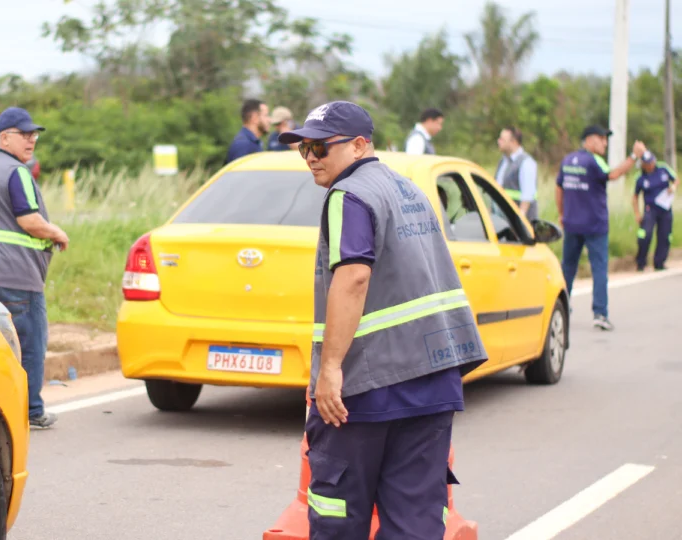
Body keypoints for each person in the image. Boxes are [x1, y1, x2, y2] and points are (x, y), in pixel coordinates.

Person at [277, 101, 487, 539]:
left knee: (338, 515)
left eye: (320, 147)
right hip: (432, 380)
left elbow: (354, 277)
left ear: (359, 145)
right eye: (304, 149)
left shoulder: (348, 194)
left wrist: (330, 369)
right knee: (415, 520)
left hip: (367, 388)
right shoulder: (409, 191)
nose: (311, 158)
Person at [0, 106, 70, 429]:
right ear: (4, 138)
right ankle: (31, 410)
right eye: (24, 134)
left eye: (33, 134)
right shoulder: (16, 172)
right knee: (29, 344)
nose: (31, 140)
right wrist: (56, 232)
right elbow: (29, 220)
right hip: (16, 278)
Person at [556, 125, 647, 331]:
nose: (605, 143)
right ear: (589, 140)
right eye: (601, 138)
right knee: (598, 269)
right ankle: (600, 313)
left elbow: (558, 187)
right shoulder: (593, 160)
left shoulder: (568, 160)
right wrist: (634, 156)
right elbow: (613, 175)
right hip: (594, 226)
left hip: (572, 224)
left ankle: (561, 307)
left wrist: (562, 213)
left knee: (568, 268)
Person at [633, 151, 677, 271]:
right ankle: (641, 262)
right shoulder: (640, 178)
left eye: (652, 162)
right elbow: (635, 197)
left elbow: (676, 179)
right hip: (650, 209)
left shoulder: (663, 169)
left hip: (665, 208)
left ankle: (659, 263)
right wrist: (637, 214)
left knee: (665, 236)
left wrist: (673, 187)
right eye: (648, 163)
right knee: (645, 235)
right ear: (643, 164)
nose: (651, 165)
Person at [495, 126, 539, 221]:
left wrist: (520, 222)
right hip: (502, 221)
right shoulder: (503, 161)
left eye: (502, 139)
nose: (498, 141)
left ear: (514, 142)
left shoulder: (526, 162)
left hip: (517, 223)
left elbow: (527, 196)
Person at [225, 98, 270, 164]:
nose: (269, 120)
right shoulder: (243, 145)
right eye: (266, 115)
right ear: (255, 118)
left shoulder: (253, 142)